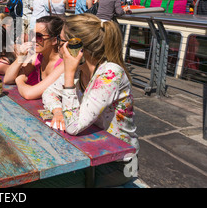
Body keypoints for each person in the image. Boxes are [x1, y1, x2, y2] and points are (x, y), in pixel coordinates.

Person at [42, 13, 138, 187]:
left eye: (61, 41)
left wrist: (69, 75)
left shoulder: (110, 74)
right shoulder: (80, 69)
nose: (58, 46)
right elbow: (48, 93)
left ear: (76, 47)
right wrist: (57, 111)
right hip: (88, 153)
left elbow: (74, 126)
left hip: (119, 164)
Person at [3, 15, 65, 100]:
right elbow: (8, 79)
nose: (32, 39)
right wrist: (21, 57)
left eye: (38, 36)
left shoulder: (62, 64)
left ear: (54, 40)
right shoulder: (38, 57)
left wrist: (19, 80)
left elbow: (29, 94)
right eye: (32, 34)